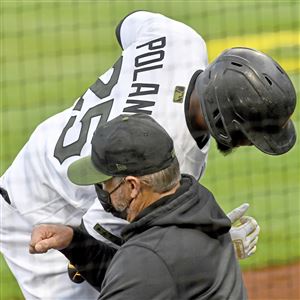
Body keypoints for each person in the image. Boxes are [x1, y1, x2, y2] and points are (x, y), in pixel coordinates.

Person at [0, 10, 295, 299]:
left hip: (52, 149)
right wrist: (205, 248)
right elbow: (115, 258)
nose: (250, 144)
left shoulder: (181, 40)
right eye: (250, 136)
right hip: (41, 210)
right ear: (223, 121)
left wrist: (136, 90)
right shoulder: (167, 156)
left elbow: (126, 26)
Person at [30, 113, 248, 299]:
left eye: (105, 182)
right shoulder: (197, 200)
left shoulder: (148, 257)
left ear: (132, 186)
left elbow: (140, 271)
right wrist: (74, 241)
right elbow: (139, 277)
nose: (102, 190)